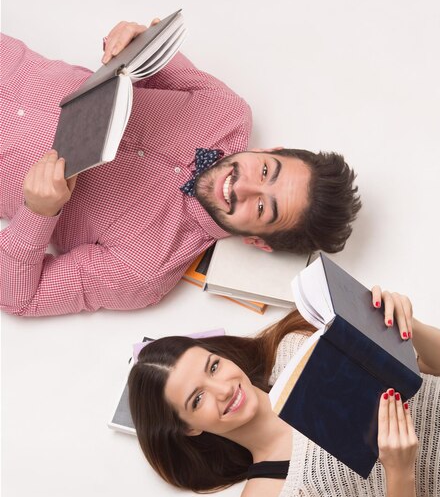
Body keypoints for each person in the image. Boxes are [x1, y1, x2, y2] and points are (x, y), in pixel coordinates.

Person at [0, 19, 361, 317]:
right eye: (266, 171)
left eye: (263, 207)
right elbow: (147, 52)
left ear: (256, 241)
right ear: (271, 150)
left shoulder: (143, 270)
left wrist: (38, 213)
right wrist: (130, 39)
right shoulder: (227, 111)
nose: (243, 186)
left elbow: (20, 297)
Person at [127, 288, 440, 497]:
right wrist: (399, 473)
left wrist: (409, 325)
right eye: (197, 400)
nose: (224, 389)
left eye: (214, 367)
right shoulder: (267, 496)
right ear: (188, 428)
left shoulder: (294, 350)